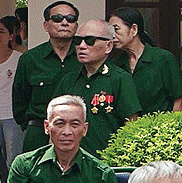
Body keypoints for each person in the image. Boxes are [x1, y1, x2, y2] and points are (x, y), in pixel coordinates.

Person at [58, 19, 142, 155]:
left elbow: (131, 125)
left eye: (90, 40)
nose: (82, 46)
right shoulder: (69, 80)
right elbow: (55, 123)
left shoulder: (120, 79)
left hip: (106, 162)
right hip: (71, 162)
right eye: (78, 40)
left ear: (108, 46)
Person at [12, 0, 80, 152]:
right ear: (46, 25)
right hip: (39, 133)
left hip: (77, 135)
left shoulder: (85, 56)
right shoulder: (30, 59)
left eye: (70, 19)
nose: (64, 23)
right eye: (57, 19)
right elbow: (19, 101)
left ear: (76, 25)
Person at [107, 6, 182, 115]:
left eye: (116, 29)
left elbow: (179, 101)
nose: (112, 35)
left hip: (160, 128)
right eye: (110, 31)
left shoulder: (163, 58)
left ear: (134, 29)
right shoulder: (116, 64)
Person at [0, 16, 24, 175]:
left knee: (13, 160)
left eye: (1, 32)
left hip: (12, 115)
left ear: (11, 35)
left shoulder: (20, 58)